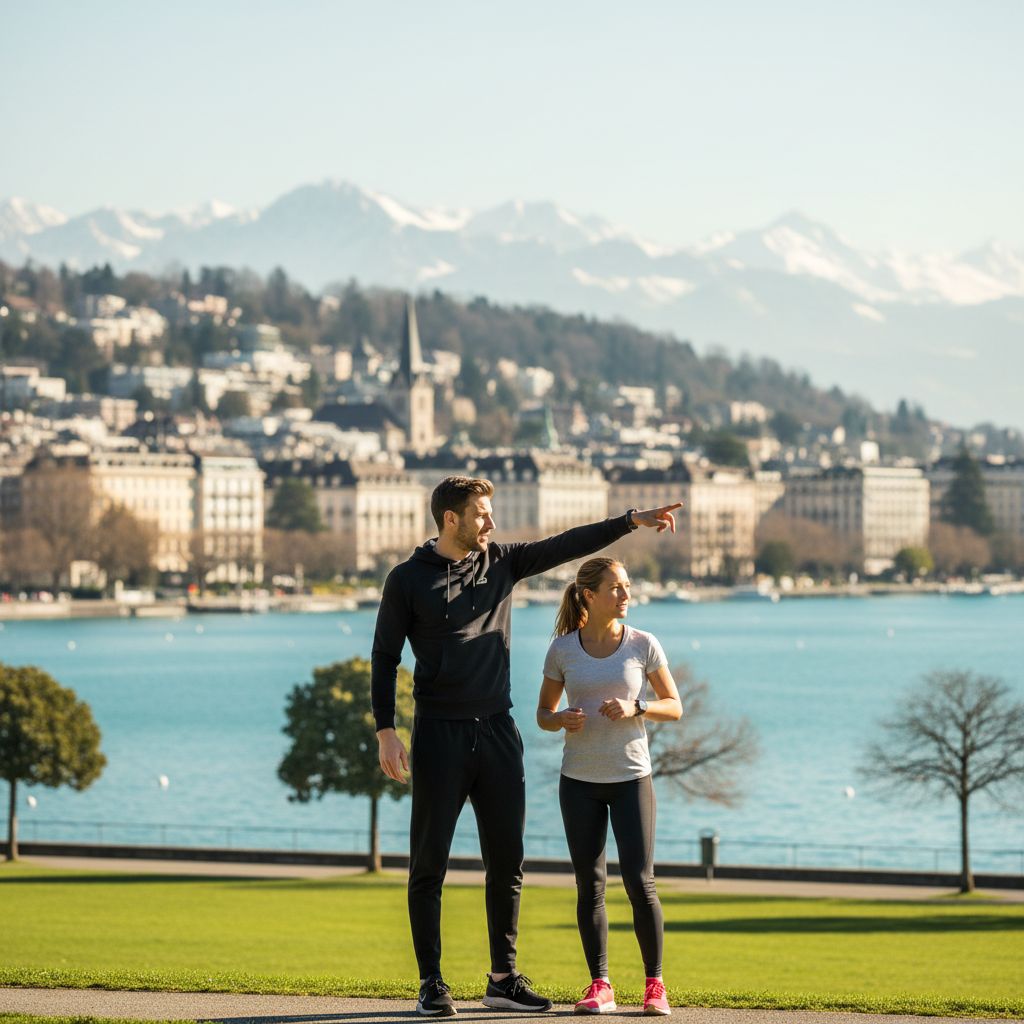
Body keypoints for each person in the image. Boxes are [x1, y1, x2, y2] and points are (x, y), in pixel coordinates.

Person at [372, 476, 681, 1017]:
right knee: (429, 863)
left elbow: (568, 544)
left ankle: (503, 979)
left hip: (497, 731)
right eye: (481, 514)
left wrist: (631, 520)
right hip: (440, 734)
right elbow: (385, 656)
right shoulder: (406, 580)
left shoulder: (502, 562)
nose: (491, 523)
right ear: (451, 518)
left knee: (507, 863)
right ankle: (431, 982)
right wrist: (386, 730)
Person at [537, 557, 682, 1016]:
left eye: (627, 586)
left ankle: (655, 985)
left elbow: (674, 706)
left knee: (640, 882)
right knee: (590, 885)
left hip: (631, 778)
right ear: (589, 594)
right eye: (616, 587)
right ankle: (600, 985)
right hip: (578, 781)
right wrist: (561, 719)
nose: (625, 594)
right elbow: (543, 714)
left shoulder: (643, 643)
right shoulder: (563, 649)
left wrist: (638, 707)